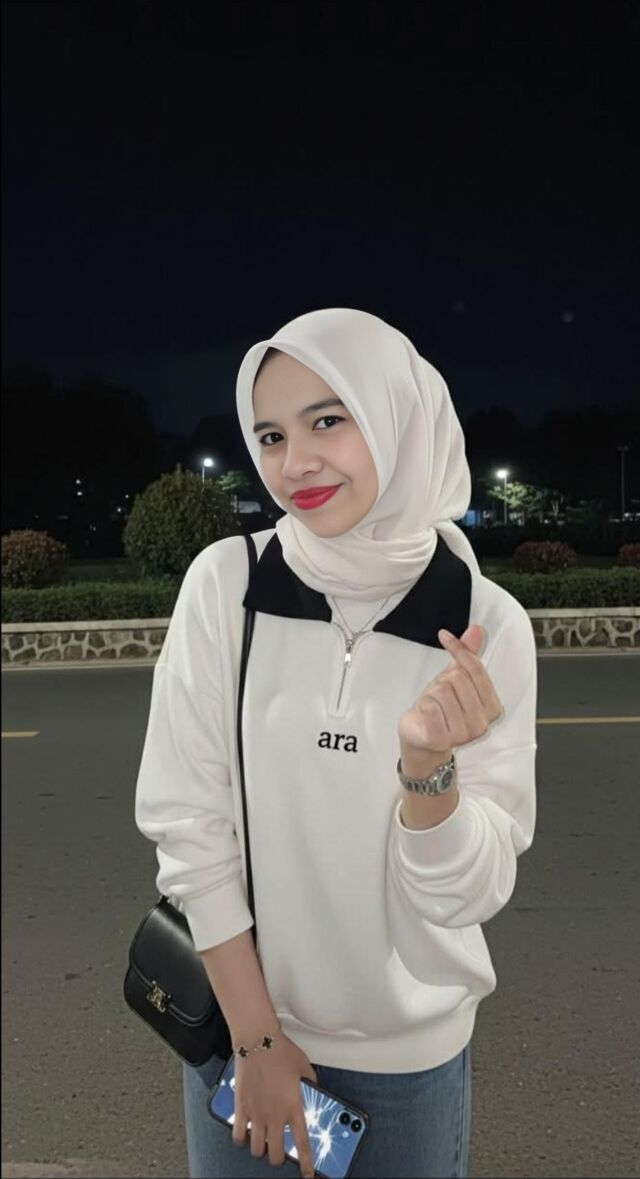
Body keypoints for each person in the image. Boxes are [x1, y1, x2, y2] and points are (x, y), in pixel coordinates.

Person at [134, 307, 538, 1178]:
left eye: (328, 420)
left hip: (409, 1063)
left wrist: (427, 772)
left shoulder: (485, 624)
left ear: (399, 416)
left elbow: (470, 892)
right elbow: (190, 827)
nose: (296, 463)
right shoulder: (227, 585)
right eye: (272, 435)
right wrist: (258, 1041)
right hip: (241, 1035)